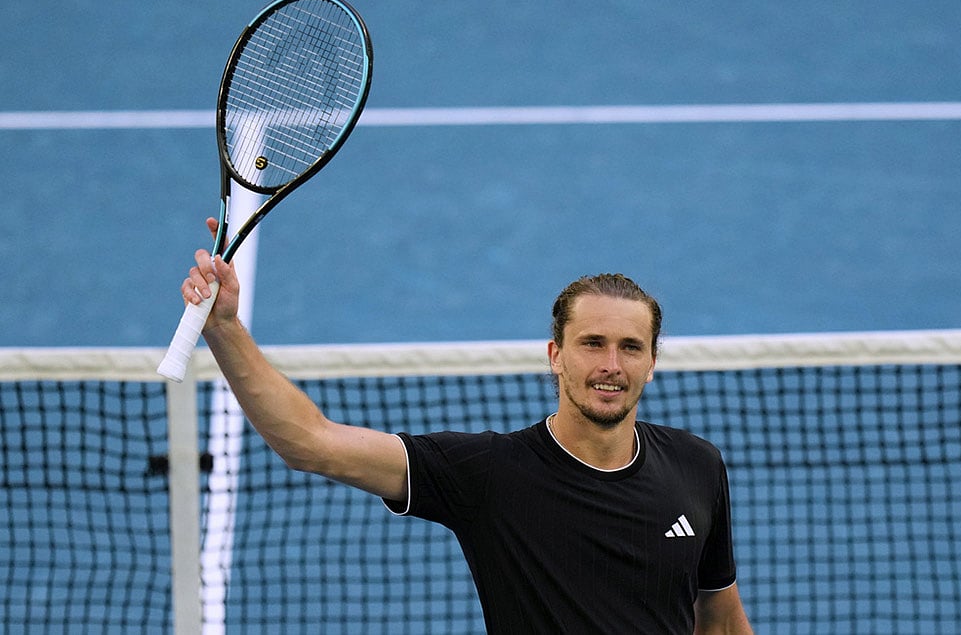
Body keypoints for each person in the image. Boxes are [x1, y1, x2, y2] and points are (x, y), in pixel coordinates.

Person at [180, 217, 753, 634]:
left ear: (652, 362)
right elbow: (312, 443)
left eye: (631, 347)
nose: (610, 365)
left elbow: (722, 623)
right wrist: (226, 329)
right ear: (555, 354)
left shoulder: (696, 465)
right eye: (592, 344)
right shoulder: (490, 477)